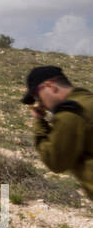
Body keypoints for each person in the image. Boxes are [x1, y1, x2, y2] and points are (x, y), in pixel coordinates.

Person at [23, 66, 93, 199]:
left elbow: (55, 161)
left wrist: (39, 121)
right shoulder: (88, 100)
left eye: (38, 96)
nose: (40, 103)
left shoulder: (71, 114)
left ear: (50, 86)